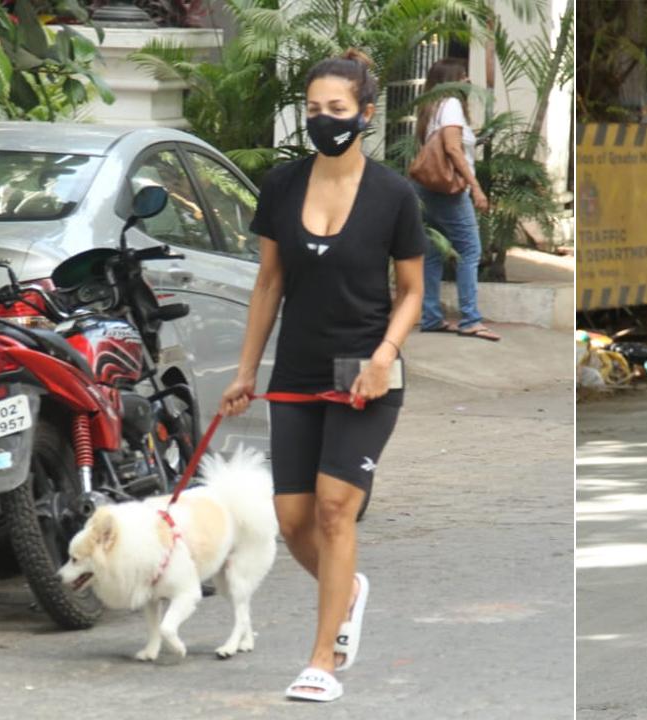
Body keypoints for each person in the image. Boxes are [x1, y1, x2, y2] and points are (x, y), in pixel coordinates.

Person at [219, 49, 426, 702]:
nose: (323, 121)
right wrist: (247, 369)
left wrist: (385, 355)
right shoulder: (282, 185)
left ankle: (322, 660)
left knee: (337, 512)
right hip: (300, 368)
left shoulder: (394, 195)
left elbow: (412, 291)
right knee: (292, 520)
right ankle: (349, 587)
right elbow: (269, 282)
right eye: (313, 110)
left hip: (364, 367)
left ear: (365, 114)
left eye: (336, 110)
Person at [413, 58, 501, 342]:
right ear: (453, 80)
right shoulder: (450, 104)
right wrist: (475, 187)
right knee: (470, 251)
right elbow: (451, 147)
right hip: (450, 191)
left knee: (433, 253)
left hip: (425, 189)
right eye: (463, 76)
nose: (466, 82)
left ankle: (430, 317)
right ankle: (470, 319)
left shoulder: (430, 107)